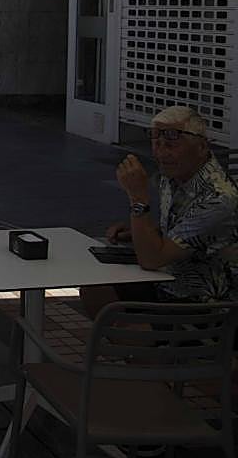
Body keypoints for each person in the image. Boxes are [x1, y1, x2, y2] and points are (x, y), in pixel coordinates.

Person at [80, 105, 238, 317]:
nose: (161, 153)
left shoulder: (218, 198)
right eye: (157, 143)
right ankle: (123, 335)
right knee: (94, 288)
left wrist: (138, 200)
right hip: (167, 282)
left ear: (201, 147)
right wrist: (142, 232)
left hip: (202, 304)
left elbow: (152, 259)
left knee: (127, 322)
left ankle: (141, 334)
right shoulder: (173, 175)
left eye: (172, 145)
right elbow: (180, 232)